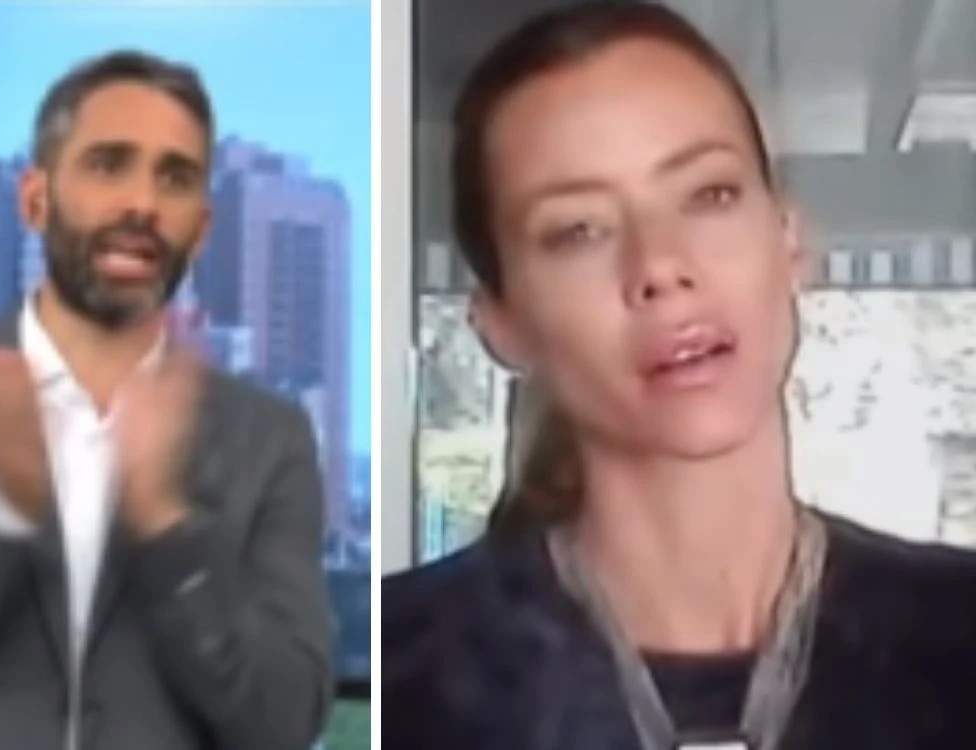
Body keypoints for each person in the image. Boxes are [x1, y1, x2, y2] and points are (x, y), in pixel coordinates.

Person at [383, 4, 976, 749]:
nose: (660, 266)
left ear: (789, 241)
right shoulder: (397, 673)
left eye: (709, 195)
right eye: (578, 231)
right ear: (503, 324)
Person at [0, 50, 332, 750]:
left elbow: (286, 720)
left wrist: (169, 527)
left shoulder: (269, 437)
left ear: (201, 229)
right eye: (108, 165)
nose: (142, 203)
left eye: (174, 177)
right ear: (34, 199)